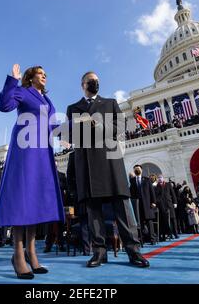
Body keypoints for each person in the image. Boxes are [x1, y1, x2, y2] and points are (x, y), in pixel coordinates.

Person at [65, 71, 149, 268]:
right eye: (91, 81)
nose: (94, 83)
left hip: (110, 159)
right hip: (87, 161)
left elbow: (119, 127)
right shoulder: (73, 108)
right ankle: (99, 252)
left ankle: (133, 251)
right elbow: (72, 134)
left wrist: (96, 124)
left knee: (122, 207)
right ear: (82, 85)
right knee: (93, 211)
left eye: (97, 81)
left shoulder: (110, 103)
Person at [0, 64, 64, 279]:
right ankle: (18, 255)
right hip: (25, 149)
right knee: (22, 199)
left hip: (43, 151)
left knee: (34, 200)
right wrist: (12, 81)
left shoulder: (48, 101)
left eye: (45, 74)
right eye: (41, 74)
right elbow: (4, 106)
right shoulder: (23, 91)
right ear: (30, 77)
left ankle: (32, 253)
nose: (44, 76)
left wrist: (70, 132)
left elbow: (52, 126)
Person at [129, 165, 158, 245]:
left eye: (138, 169)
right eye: (135, 169)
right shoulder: (132, 180)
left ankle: (152, 239)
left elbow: (152, 191)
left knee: (149, 222)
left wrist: (154, 202)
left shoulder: (147, 179)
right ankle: (142, 239)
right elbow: (131, 192)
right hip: (137, 205)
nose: (137, 170)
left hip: (147, 204)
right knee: (140, 223)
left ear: (141, 170)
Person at [154, 175, 179, 241]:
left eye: (161, 178)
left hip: (169, 204)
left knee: (173, 219)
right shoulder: (156, 186)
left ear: (163, 178)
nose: (160, 179)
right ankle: (169, 233)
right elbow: (156, 196)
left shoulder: (168, 185)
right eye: (158, 178)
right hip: (162, 205)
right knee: (165, 220)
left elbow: (173, 194)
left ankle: (176, 233)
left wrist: (175, 202)